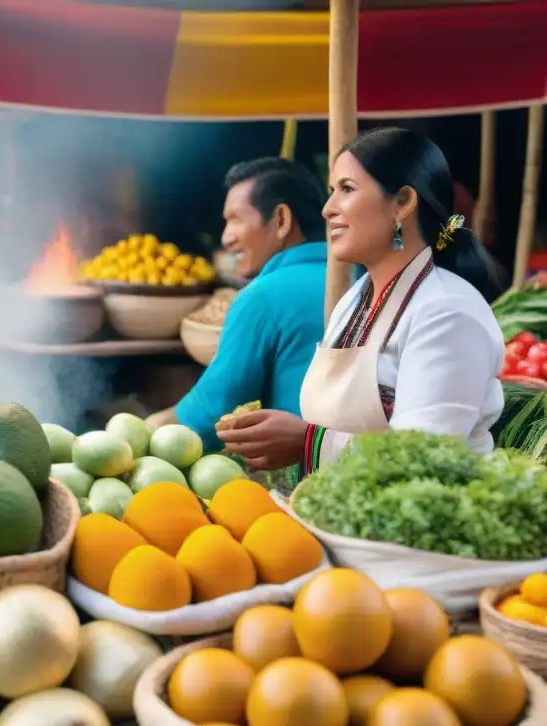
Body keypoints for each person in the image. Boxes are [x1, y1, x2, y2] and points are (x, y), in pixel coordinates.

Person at [218, 127, 504, 474]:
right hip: (340, 510)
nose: (327, 209)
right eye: (330, 191)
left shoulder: (448, 311)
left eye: (347, 190)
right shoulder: (354, 299)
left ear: (403, 203)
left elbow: (426, 456)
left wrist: (307, 442)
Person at [166, 158, 329, 451]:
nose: (226, 238)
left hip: (301, 479)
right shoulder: (364, 276)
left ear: (281, 220)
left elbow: (210, 415)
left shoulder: (263, 297)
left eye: (236, 219)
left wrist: (147, 427)